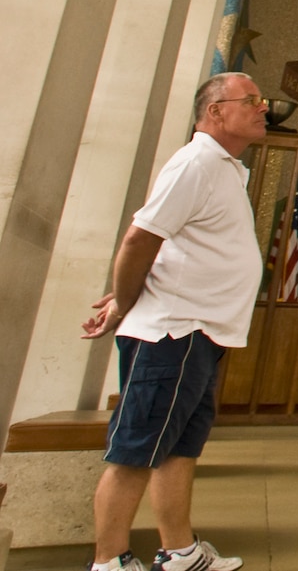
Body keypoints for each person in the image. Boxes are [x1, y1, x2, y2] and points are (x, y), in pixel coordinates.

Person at [81, 73, 269, 571]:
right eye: (250, 100)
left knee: (177, 446)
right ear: (215, 112)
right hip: (173, 331)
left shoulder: (225, 167)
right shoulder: (197, 161)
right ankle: (109, 560)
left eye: (261, 100)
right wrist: (122, 303)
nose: (262, 107)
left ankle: (180, 551)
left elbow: (183, 244)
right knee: (137, 447)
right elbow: (140, 239)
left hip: (199, 332)